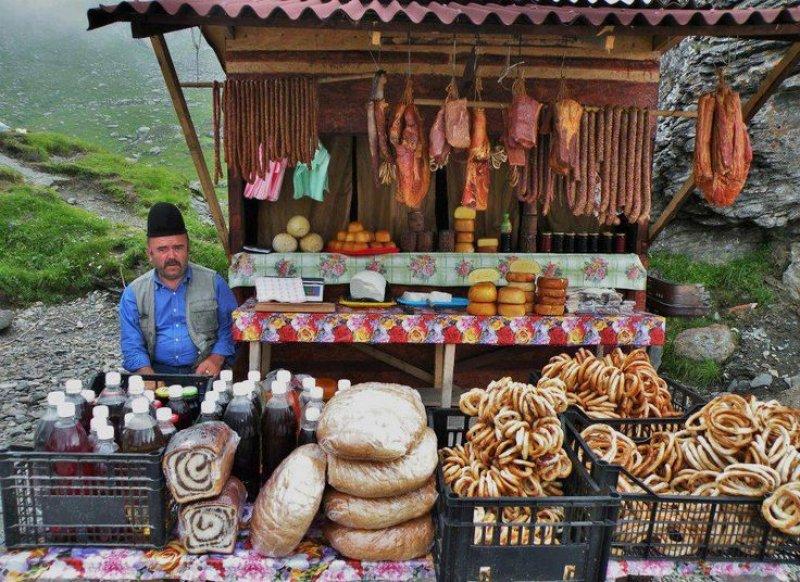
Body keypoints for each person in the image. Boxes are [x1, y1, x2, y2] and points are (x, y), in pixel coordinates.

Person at [119, 202, 237, 377]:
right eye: (162, 249)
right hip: (156, 373)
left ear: (188, 248)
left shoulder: (213, 282)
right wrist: (147, 375)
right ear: (149, 254)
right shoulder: (134, 293)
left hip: (205, 372)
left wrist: (216, 359)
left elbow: (232, 326)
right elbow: (131, 342)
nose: (171, 256)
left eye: (178, 248)